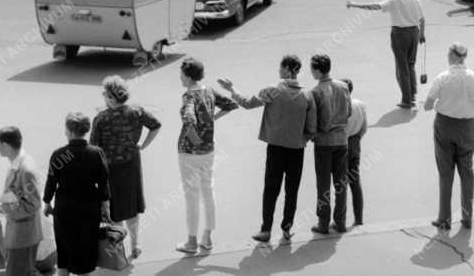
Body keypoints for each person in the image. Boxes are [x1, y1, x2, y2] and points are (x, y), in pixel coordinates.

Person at [218, 54, 316, 244]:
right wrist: (299, 138)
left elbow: (246, 103)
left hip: (276, 149)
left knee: (271, 189)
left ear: (288, 69)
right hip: (297, 150)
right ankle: (287, 228)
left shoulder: (273, 91)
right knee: (291, 190)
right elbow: (312, 128)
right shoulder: (307, 95)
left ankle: (266, 230)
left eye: (281, 67)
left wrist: (231, 89)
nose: (279, 70)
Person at [90, 75, 161, 260]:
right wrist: (143, 145)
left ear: (111, 97)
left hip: (110, 168)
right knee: (131, 207)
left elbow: (94, 149)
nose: (103, 98)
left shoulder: (101, 118)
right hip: (131, 164)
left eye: (105, 95)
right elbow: (155, 125)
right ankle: (136, 245)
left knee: (115, 210)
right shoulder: (136, 111)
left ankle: (119, 250)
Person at [176, 56, 237, 255]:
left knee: (192, 197)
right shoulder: (209, 90)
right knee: (208, 192)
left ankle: (191, 242)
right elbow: (230, 104)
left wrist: (195, 140)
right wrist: (212, 120)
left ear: (187, 76)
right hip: (209, 150)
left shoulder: (189, 97)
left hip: (190, 153)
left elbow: (188, 120)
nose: (180, 78)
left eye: (181, 74)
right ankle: (207, 237)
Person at [423, 42, 474, 230]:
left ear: (454, 56)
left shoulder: (443, 77)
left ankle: (444, 218)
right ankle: (467, 218)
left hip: (445, 125)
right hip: (467, 127)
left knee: (445, 173)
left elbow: (427, 105)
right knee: (467, 173)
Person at [43, 112, 110, 276]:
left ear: (70, 131)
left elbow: (51, 181)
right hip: (89, 208)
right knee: (85, 253)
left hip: (65, 209)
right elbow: (103, 183)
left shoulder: (60, 154)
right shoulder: (96, 152)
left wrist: (47, 202)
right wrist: (105, 207)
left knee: (64, 254)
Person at [347, 0, 426, 109]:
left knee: (402, 68)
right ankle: (412, 95)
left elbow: (375, 6)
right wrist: (421, 34)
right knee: (410, 65)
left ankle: (407, 100)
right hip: (414, 32)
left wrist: (355, 4)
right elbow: (422, 19)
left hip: (400, 34)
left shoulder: (395, 0)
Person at [0, 126, 43, 276]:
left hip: (23, 237)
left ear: (6, 145)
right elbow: (19, 197)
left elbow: (33, 204)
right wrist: (0, 207)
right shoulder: (19, 162)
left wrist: (5, 208)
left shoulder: (26, 169)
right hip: (19, 234)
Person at [308, 54, 351, 234]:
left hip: (324, 143)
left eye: (312, 68)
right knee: (341, 183)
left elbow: (313, 121)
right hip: (341, 140)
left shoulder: (316, 92)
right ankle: (340, 222)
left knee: (323, 184)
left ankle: (323, 223)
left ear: (317, 70)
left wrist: (311, 135)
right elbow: (348, 112)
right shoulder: (343, 86)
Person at [344, 78, 368, 227]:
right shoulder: (360, 105)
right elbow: (364, 128)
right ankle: (358, 219)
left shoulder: (340, 107)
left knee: (340, 185)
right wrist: (356, 139)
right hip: (355, 146)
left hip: (341, 146)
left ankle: (340, 220)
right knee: (355, 183)